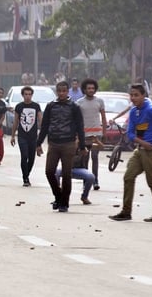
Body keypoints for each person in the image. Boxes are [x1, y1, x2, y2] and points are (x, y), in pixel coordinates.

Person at [109, 84, 152, 223]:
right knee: (128, 176)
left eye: (136, 95)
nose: (133, 98)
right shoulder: (133, 112)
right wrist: (141, 143)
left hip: (151, 152)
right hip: (140, 150)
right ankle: (126, 212)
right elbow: (130, 134)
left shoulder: (151, 110)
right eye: (131, 95)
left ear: (144, 96)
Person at [37, 81, 87, 212]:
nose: (61, 93)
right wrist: (38, 143)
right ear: (56, 92)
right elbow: (44, 126)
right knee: (49, 171)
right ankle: (58, 196)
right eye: (59, 91)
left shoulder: (74, 107)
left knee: (66, 174)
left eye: (64, 91)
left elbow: (80, 127)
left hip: (68, 144)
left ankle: (64, 203)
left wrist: (82, 146)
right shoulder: (50, 106)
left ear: (68, 91)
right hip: (53, 143)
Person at [76, 78, 106, 190]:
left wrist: (104, 133)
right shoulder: (79, 103)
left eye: (93, 88)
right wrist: (77, 136)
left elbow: (103, 117)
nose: (91, 90)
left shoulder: (100, 101)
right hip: (84, 135)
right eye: (88, 88)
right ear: (84, 89)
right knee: (85, 158)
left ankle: (95, 180)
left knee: (95, 157)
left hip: (96, 135)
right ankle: (86, 180)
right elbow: (76, 120)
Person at [11, 86, 43, 187]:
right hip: (22, 135)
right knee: (24, 156)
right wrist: (12, 136)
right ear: (23, 95)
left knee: (32, 158)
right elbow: (16, 121)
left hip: (33, 136)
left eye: (29, 94)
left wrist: (41, 137)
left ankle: (27, 173)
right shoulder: (19, 106)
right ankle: (25, 178)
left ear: (32, 95)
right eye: (26, 94)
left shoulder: (36, 106)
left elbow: (40, 120)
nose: (28, 96)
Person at [55, 139, 103, 205]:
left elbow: (101, 147)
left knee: (91, 176)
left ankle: (84, 197)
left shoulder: (83, 146)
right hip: (66, 169)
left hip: (79, 170)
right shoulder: (66, 146)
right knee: (56, 173)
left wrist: (96, 140)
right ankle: (58, 196)